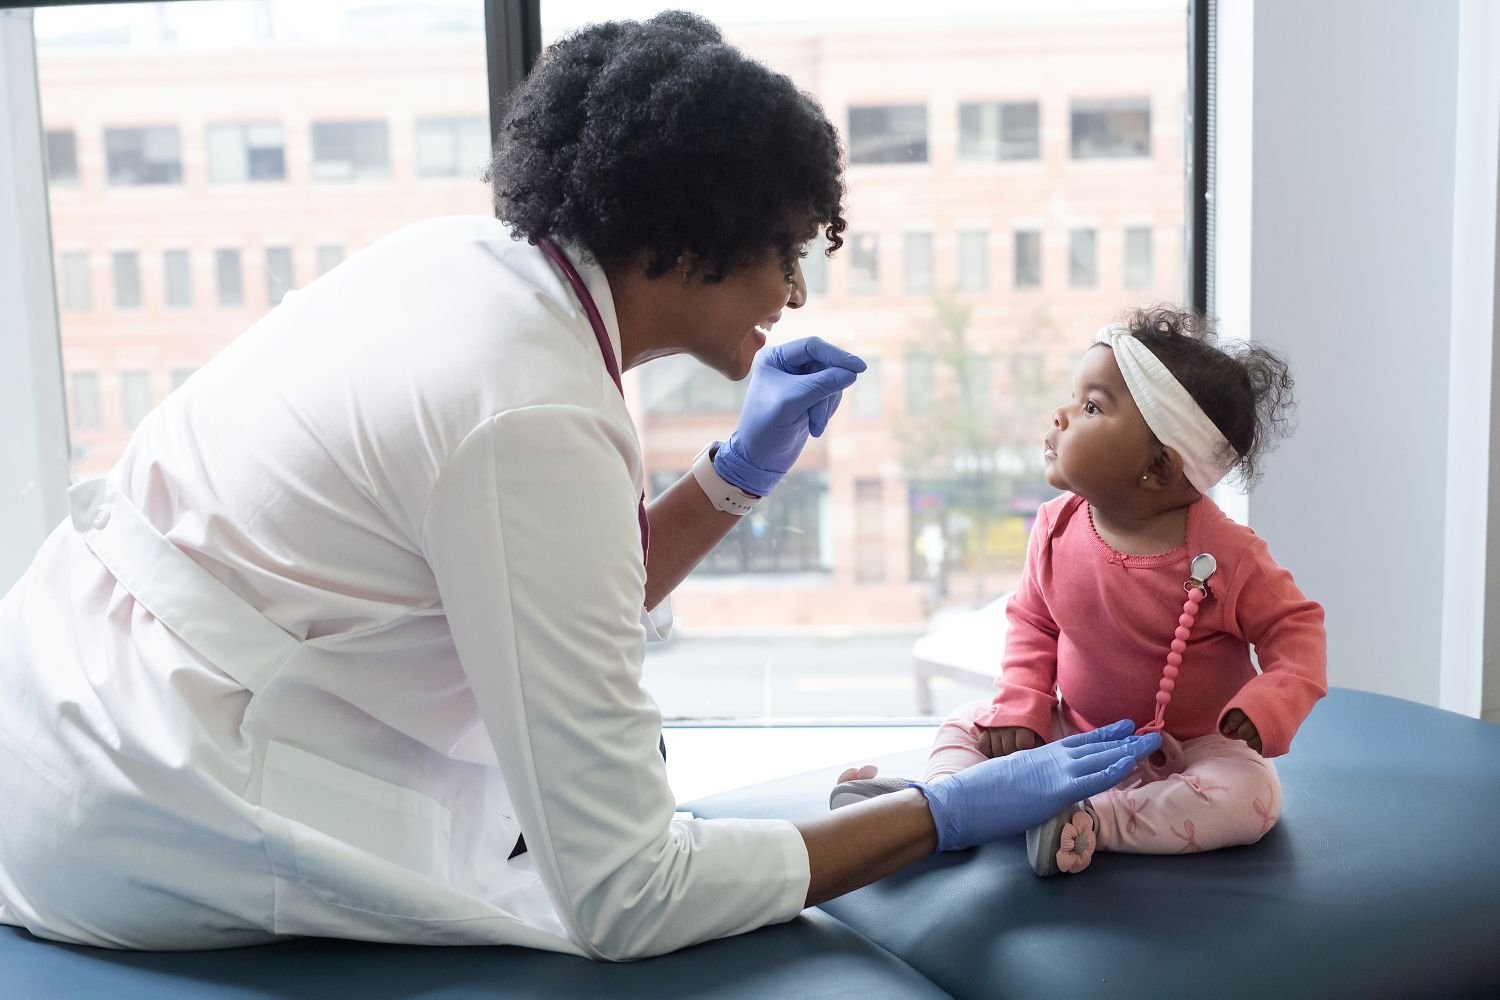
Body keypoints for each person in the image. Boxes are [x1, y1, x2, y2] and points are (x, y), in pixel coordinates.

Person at [0, 12, 1159, 960]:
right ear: (687, 239)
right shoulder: (533, 407)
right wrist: (939, 818)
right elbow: (628, 897)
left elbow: (539, 592)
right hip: (147, 784)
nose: (797, 295)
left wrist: (734, 475)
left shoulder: (461, 264)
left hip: (63, 694)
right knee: (585, 859)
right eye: (787, 252)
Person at [833, 307, 1326, 878]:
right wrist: (1023, 701)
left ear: (1158, 469)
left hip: (1190, 749)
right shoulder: (1056, 527)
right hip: (1075, 732)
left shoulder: (1228, 556)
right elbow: (1033, 622)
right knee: (970, 721)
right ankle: (937, 801)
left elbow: (1297, 630)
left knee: (1251, 798)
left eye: (1091, 407)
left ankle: (1089, 822)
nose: (1061, 415)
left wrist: (1270, 704)